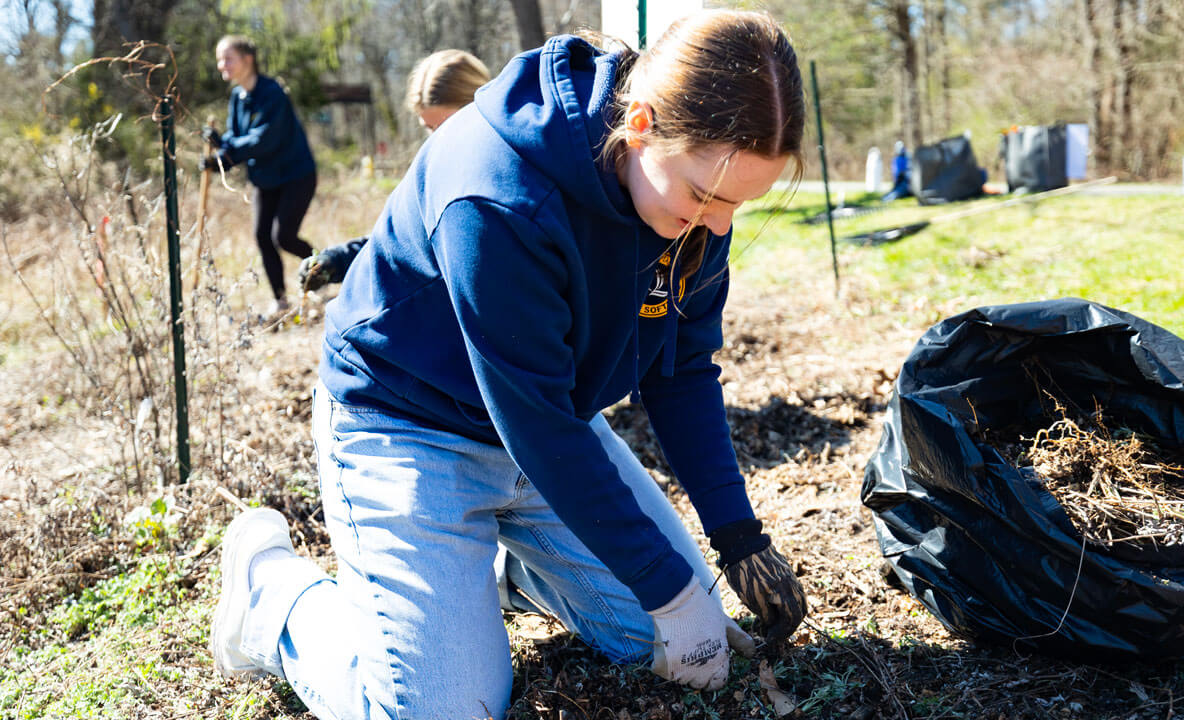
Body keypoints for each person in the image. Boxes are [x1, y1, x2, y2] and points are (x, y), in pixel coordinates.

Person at [210, 10, 810, 718]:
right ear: (641, 124)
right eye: (706, 198)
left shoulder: (691, 208)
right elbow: (540, 425)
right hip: (408, 426)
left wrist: (738, 535)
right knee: (439, 710)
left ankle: (487, 572)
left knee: (696, 656)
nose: (718, 227)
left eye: (739, 204)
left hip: (548, 425)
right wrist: (667, 586)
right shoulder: (499, 193)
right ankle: (273, 596)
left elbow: (679, 372)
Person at [297, 49, 491, 292]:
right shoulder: (433, 172)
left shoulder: (508, 169)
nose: (438, 138)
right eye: (430, 128)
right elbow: (400, 240)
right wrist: (338, 260)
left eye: (447, 125)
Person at [202, 35, 317, 314]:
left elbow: (265, 139)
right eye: (220, 59)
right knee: (263, 237)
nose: (222, 65)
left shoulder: (273, 93)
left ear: (247, 59)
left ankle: (325, 268)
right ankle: (280, 300)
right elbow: (238, 136)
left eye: (227, 58)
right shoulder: (237, 96)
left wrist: (226, 152)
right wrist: (218, 155)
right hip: (265, 178)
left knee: (284, 237)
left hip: (295, 174)